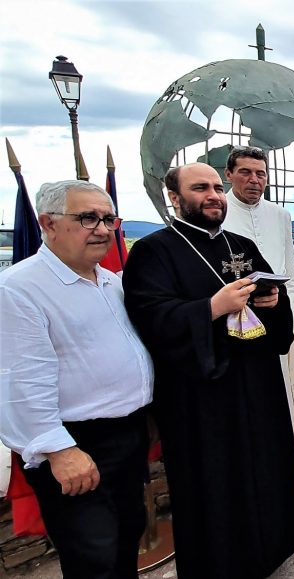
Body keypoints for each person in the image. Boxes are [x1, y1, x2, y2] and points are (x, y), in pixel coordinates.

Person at [122, 163, 294, 578]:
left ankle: (273, 547)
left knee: (264, 466)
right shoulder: (154, 251)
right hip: (200, 394)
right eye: (200, 188)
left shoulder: (240, 244)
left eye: (217, 188)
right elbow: (150, 316)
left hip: (257, 382)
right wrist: (210, 308)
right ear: (175, 197)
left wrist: (273, 304)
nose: (213, 195)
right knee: (216, 481)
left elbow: (278, 306)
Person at [0, 180, 153, 579]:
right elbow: (19, 380)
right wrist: (57, 450)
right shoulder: (19, 290)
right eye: (87, 218)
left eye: (108, 219)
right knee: (93, 554)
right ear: (47, 223)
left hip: (126, 435)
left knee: (124, 538)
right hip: (75, 443)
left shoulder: (110, 282)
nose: (102, 229)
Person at [221, 145, 294, 466]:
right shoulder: (219, 212)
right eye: (245, 172)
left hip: (277, 317)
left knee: (281, 386)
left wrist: (291, 319)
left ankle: (288, 448)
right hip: (233, 315)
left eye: (261, 173)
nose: (254, 180)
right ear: (229, 174)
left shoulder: (281, 215)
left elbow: (289, 274)